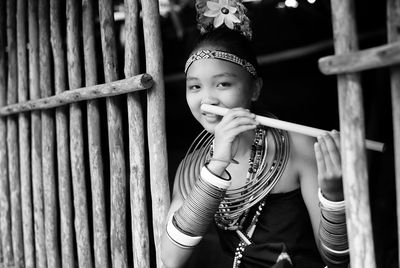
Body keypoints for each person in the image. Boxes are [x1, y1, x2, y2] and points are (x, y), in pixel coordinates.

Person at [161, 0, 350, 267]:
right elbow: (170, 259)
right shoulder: (193, 168)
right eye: (194, 87)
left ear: (255, 89)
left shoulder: (298, 146)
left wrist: (334, 195)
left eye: (223, 83)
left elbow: (337, 259)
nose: (207, 99)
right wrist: (217, 164)